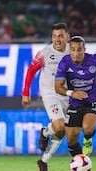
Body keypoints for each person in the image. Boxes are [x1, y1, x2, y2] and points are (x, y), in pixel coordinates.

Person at [22, 22, 71, 171]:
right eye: (54, 36)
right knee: (60, 125)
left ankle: (43, 161)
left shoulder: (74, 51)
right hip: (50, 94)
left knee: (62, 130)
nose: (57, 40)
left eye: (60, 36)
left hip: (68, 95)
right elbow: (31, 71)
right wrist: (26, 92)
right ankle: (44, 132)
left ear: (67, 37)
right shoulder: (44, 53)